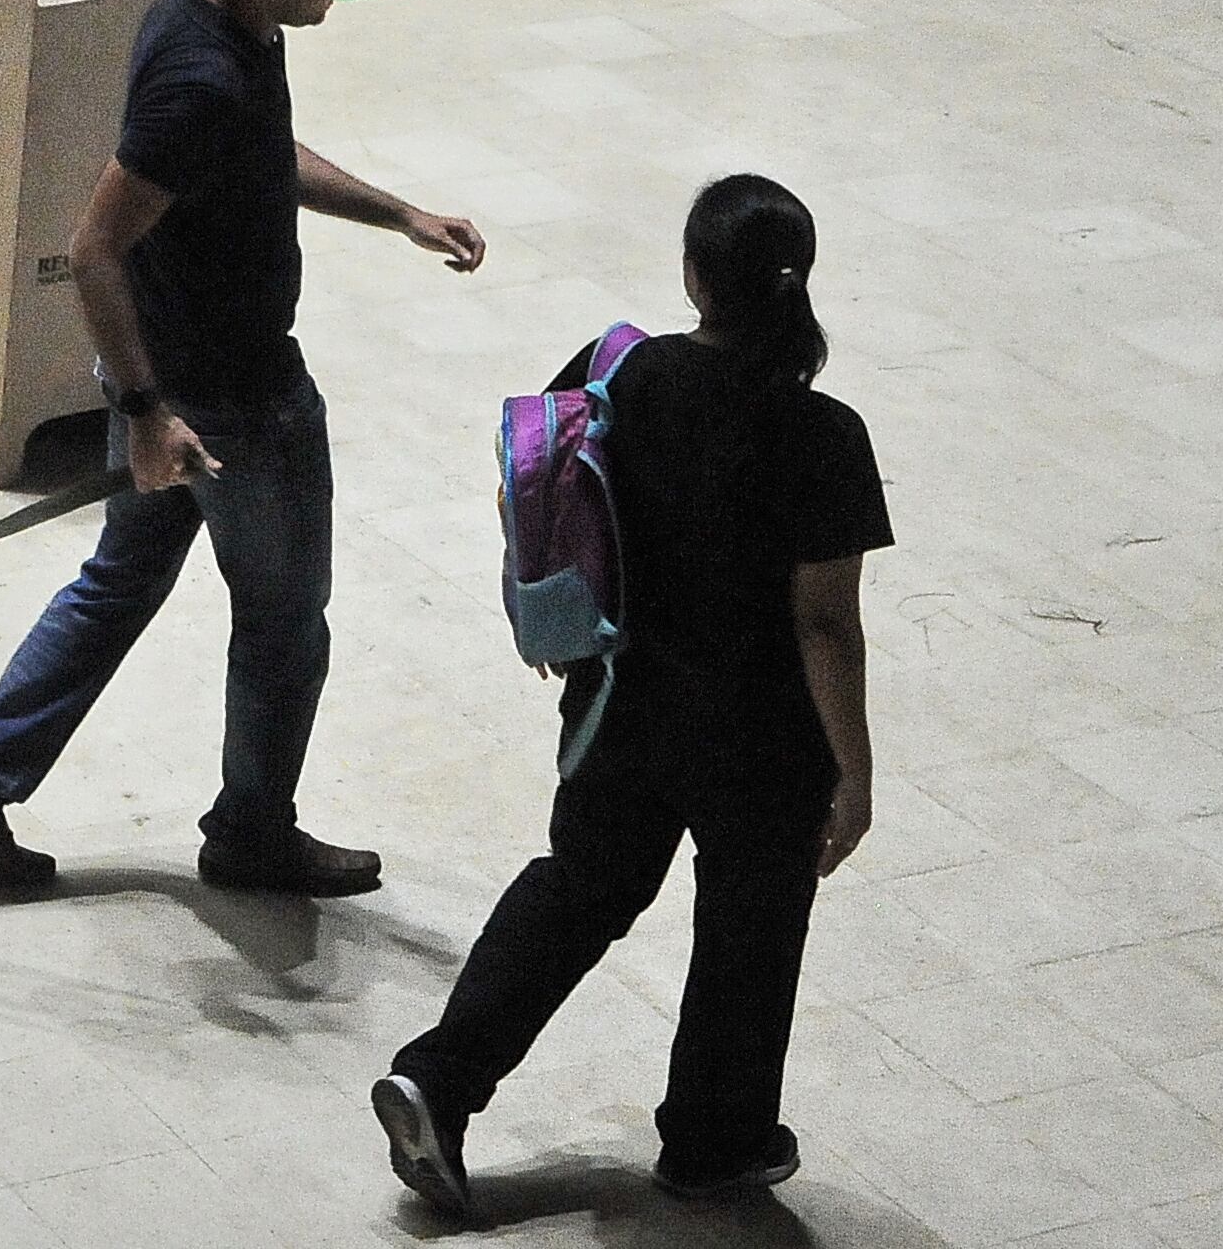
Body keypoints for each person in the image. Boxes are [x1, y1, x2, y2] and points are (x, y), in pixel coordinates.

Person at [0, 0, 485, 894]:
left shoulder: (219, 21)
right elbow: (94, 246)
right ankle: (252, 831)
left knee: (117, 582)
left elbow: (260, 152)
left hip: (176, 384)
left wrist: (397, 209)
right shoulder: (201, 76)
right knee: (282, 626)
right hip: (231, 401)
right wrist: (142, 413)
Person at [376, 174, 887, 1222]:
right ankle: (712, 1139)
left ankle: (439, 1075)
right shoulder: (825, 433)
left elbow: (551, 476)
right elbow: (824, 623)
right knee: (749, 926)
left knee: (579, 887)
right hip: (762, 741)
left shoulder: (632, 369)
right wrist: (856, 768)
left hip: (625, 706)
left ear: (693, 275)